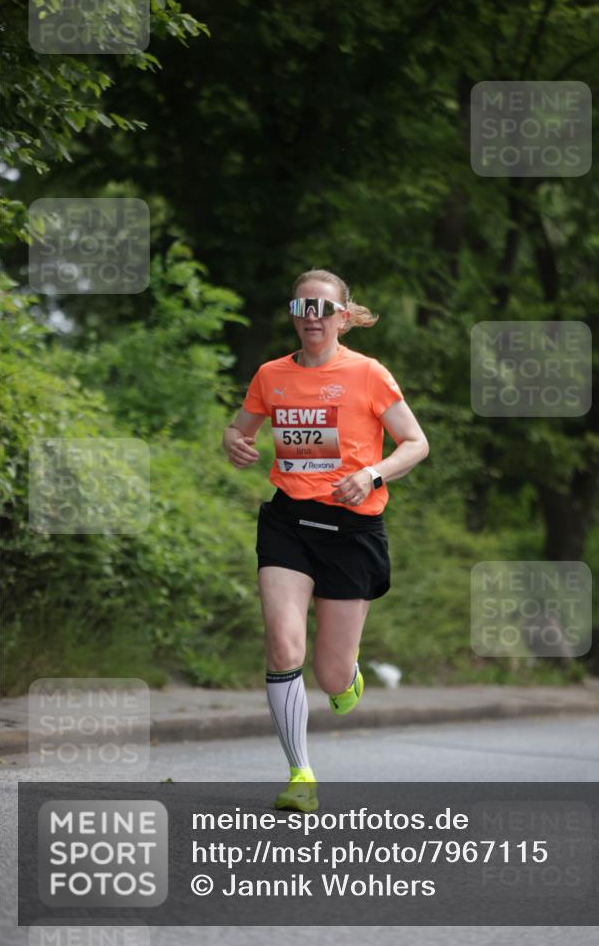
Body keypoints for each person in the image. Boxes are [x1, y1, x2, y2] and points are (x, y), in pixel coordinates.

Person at [222, 269, 429, 812]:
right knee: (283, 643)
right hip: (288, 522)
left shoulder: (368, 374)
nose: (311, 315)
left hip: (351, 529)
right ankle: (300, 774)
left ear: (342, 316)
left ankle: (347, 678)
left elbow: (415, 443)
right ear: (293, 314)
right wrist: (235, 442)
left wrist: (373, 474)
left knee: (330, 672)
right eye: (302, 306)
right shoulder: (271, 375)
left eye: (322, 307)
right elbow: (239, 427)